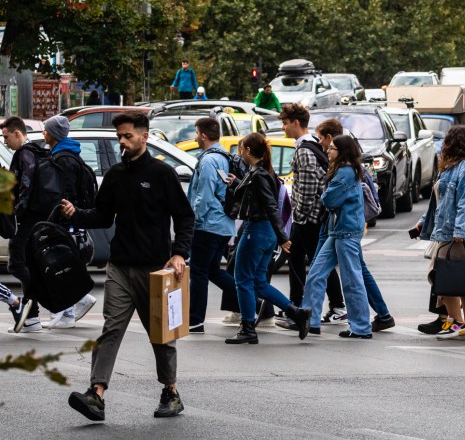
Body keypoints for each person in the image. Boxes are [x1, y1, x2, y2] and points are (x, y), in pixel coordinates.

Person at [60, 111, 195, 421]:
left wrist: (179, 253)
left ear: (144, 137)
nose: (122, 141)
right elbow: (103, 216)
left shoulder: (163, 174)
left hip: (155, 269)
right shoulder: (116, 175)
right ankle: (96, 395)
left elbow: (185, 217)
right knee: (111, 329)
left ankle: (171, 392)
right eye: (119, 136)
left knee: (160, 334)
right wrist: (76, 214)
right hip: (120, 267)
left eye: (127, 136)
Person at [224, 133, 311, 345]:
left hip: (257, 230)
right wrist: (236, 184)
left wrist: (283, 237)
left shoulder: (259, 174)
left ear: (247, 150)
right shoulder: (262, 171)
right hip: (265, 232)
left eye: (241, 147)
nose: (238, 151)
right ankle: (297, 313)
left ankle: (247, 328)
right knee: (258, 282)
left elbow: (271, 206)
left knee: (243, 279)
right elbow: (260, 200)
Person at [415, 125, 465, 342]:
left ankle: (462, 324)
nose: (443, 147)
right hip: (454, 230)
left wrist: (460, 230)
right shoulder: (453, 167)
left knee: (450, 276)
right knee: (460, 278)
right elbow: (440, 202)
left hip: (463, 232)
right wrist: (424, 222)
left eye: (446, 142)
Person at [303, 135, 374, 339]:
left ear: (342, 152)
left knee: (351, 279)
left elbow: (329, 198)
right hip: (339, 229)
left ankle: (361, 327)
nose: (328, 151)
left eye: (332, 148)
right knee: (316, 273)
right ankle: (310, 319)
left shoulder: (345, 172)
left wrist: (326, 197)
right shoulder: (347, 170)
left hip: (347, 230)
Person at [278, 104, 342, 328]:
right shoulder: (312, 146)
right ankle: (306, 305)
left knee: (311, 263)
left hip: (308, 217)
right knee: (308, 261)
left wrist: (300, 216)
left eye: (285, 123)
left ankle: (307, 308)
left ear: (296, 123)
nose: (283, 128)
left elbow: (306, 189)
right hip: (312, 216)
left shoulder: (304, 150)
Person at [40, 115, 99, 329]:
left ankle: (70, 308)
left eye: (46, 130)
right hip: (66, 219)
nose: (44, 133)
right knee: (61, 263)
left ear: (53, 134)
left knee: (56, 263)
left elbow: (66, 193)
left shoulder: (64, 159)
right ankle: (70, 309)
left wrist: (64, 216)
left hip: (64, 219)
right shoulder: (68, 155)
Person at [186, 118, 236, 334]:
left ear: (203, 135)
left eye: (196, 133)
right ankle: (252, 300)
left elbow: (204, 197)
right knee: (213, 270)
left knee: (198, 272)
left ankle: (195, 321)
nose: (195, 137)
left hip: (208, 224)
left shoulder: (208, 161)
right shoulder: (224, 157)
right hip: (223, 224)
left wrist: (194, 222)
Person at [1, 115, 46, 333]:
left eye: (6, 137)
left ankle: (31, 311)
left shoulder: (25, 154)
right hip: (36, 218)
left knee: (18, 264)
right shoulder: (35, 151)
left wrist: (15, 213)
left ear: (17, 133)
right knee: (26, 264)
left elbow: (26, 185)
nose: (5, 141)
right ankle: (32, 316)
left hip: (27, 220)